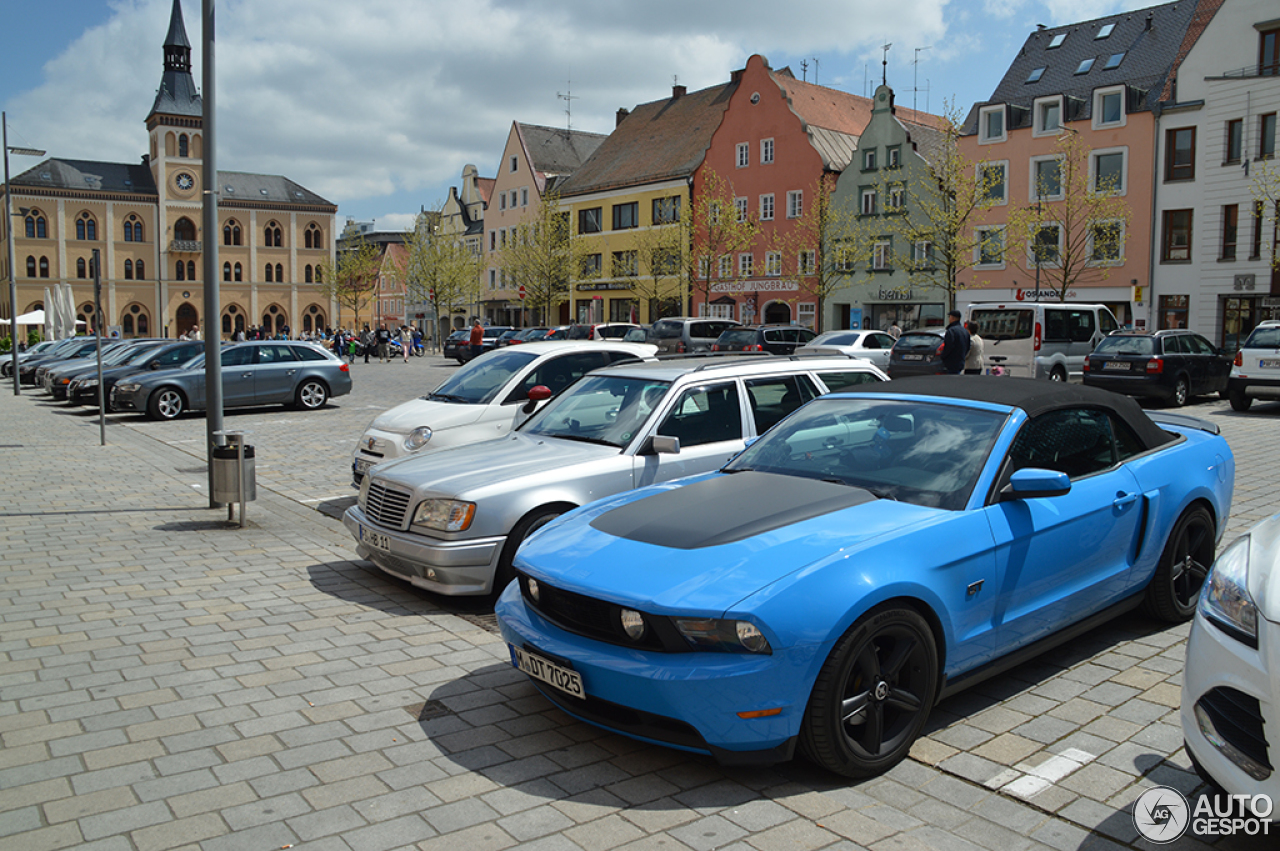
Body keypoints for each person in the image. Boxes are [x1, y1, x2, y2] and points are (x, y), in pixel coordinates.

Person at [940, 309, 970, 375]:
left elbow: (948, 346)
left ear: (953, 318)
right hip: (960, 361)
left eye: (949, 317)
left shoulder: (951, 331)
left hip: (951, 362)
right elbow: (968, 346)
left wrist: (943, 356)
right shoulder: (965, 331)